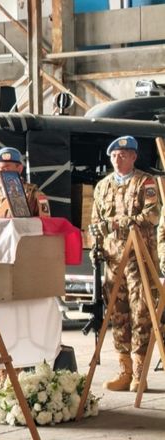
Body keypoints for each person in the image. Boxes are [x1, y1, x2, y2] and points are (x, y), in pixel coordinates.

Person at [91, 136, 159, 392]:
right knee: (117, 315)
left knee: (142, 313)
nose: (117, 159)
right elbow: (95, 223)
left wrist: (117, 224)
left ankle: (140, 372)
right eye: (114, 156)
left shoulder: (145, 182)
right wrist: (96, 248)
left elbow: (152, 215)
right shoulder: (102, 187)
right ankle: (124, 370)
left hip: (139, 260)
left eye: (123, 155)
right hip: (113, 261)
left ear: (133, 157)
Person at [0, 147, 51, 218]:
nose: (0, 173)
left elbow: (46, 224)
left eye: (5, 168)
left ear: (19, 169)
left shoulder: (34, 195)